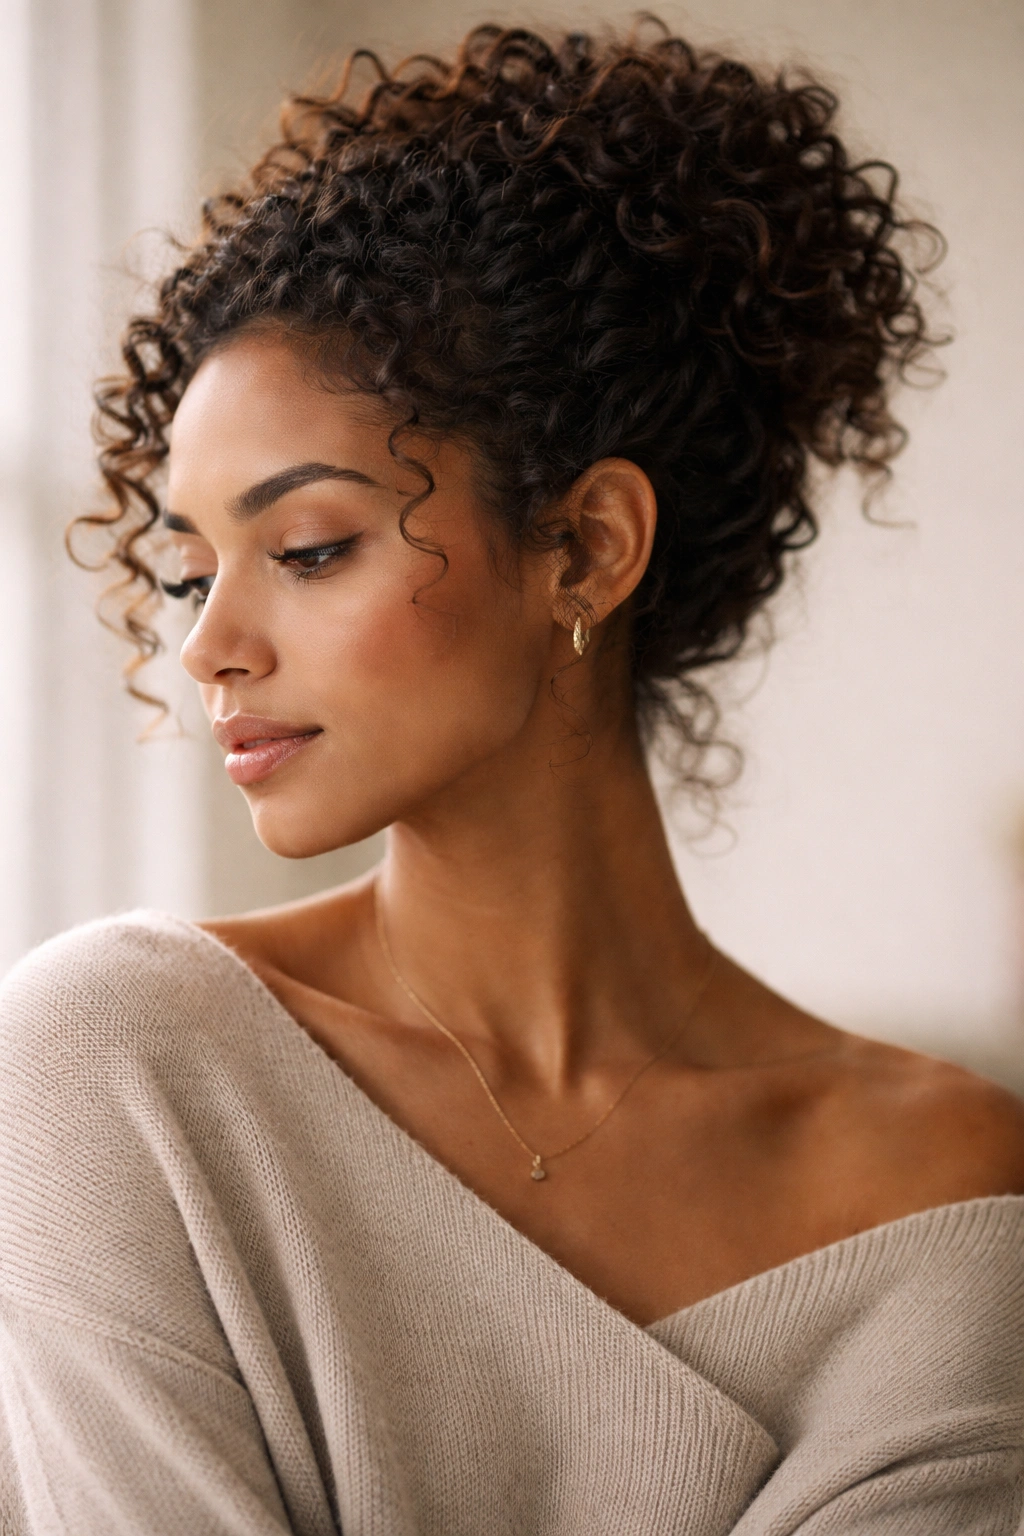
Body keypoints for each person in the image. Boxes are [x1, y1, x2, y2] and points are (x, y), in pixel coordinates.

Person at [1, 19, 1022, 1535]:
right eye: (187, 569)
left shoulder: (944, 1189)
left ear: (588, 547)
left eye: (306, 550)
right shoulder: (118, 1064)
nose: (208, 645)